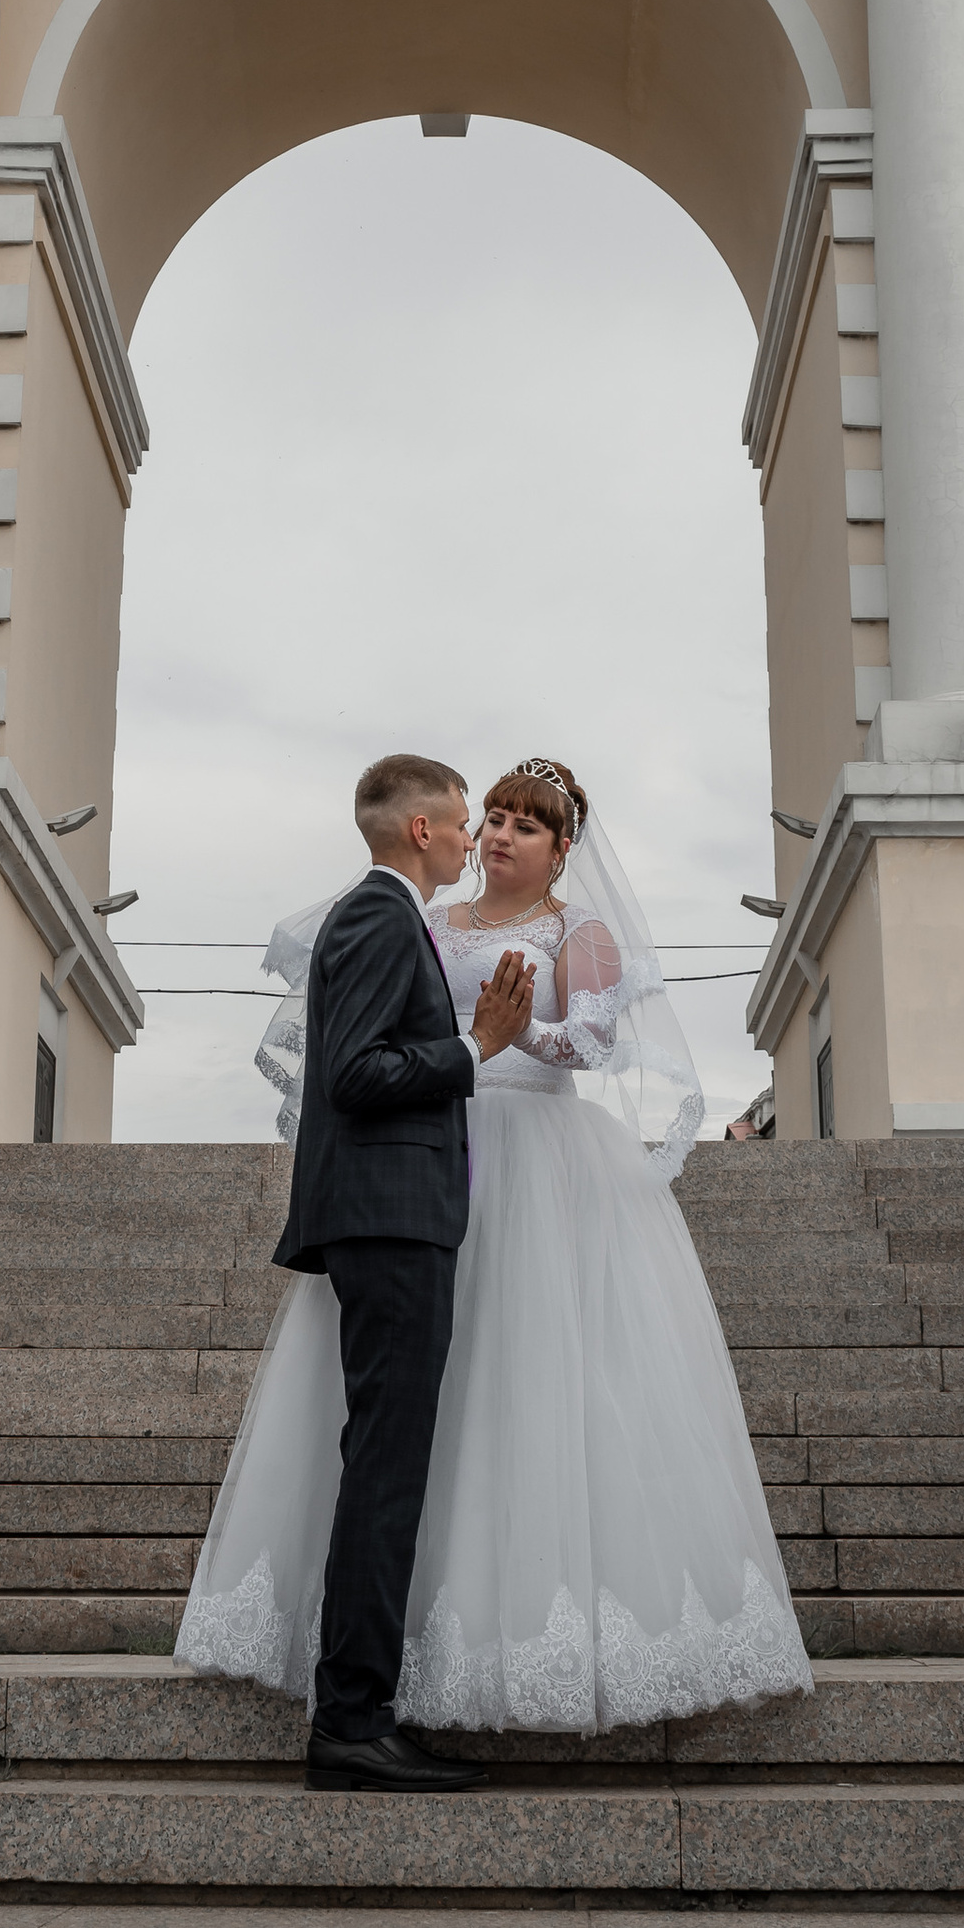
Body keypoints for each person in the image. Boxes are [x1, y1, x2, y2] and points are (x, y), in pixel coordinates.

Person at [178, 753, 814, 1742]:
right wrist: (477, 1041)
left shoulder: (578, 929)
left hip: (545, 1162)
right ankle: (379, 1666)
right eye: (498, 816)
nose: (503, 833)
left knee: (539, 1378)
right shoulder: (418, 923)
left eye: (528, 822)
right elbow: (376, 1041)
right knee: (411, 1412)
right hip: (432, 1161)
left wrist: (513, 1036)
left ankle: (513, 1635)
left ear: (565, 849)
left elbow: (593, 1039)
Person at [252, 752, 534, 1795]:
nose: (472, 839)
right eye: (462, 822)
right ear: (419, 829)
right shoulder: (376, 916)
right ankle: (353, 1717)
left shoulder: (382, 914)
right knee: (385, 1466)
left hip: (394, 1216)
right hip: (390, 1218)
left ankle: (357, 1708)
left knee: (388, 1462)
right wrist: (475, 1047)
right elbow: (356, 1073)